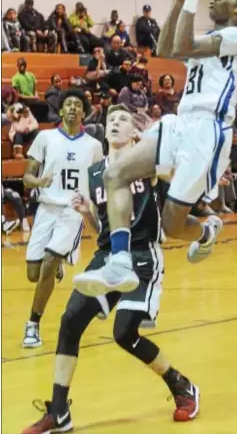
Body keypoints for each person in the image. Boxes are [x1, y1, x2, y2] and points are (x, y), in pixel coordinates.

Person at [73, 0, 237, 296]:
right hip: (180, 122)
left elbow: (184, 46)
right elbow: (166, 49)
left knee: (173, 225)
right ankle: (119, 262)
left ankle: (206, 233)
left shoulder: (236, 37)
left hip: (207, 133)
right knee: (115, 175)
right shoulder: (212, 39)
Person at [21, 104, 199, 434]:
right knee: (71, 320)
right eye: (110, 120)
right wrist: (86, 213)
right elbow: (97, 231)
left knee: (124, 333)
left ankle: (181, 385)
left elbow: (178, 175)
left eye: (122, 120)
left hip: (142, 254)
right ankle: (59, 412)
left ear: (136, 133)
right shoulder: (94, 173)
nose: (115, 124)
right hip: (107, 256)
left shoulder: (149, 164)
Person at [21, 89, 103, 348]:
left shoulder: (94, 146)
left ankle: (33, 324)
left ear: (84, 112)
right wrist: (39, 180)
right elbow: (27, 177)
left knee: (47, 263)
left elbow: (98, 184)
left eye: (77, 105)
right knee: (33, 274)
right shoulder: (45, 138)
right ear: (61, 110)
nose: (72, 108)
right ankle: (58, 262)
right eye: (68, 104)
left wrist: (94, 215)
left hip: (72, 211)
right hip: (46, 209)